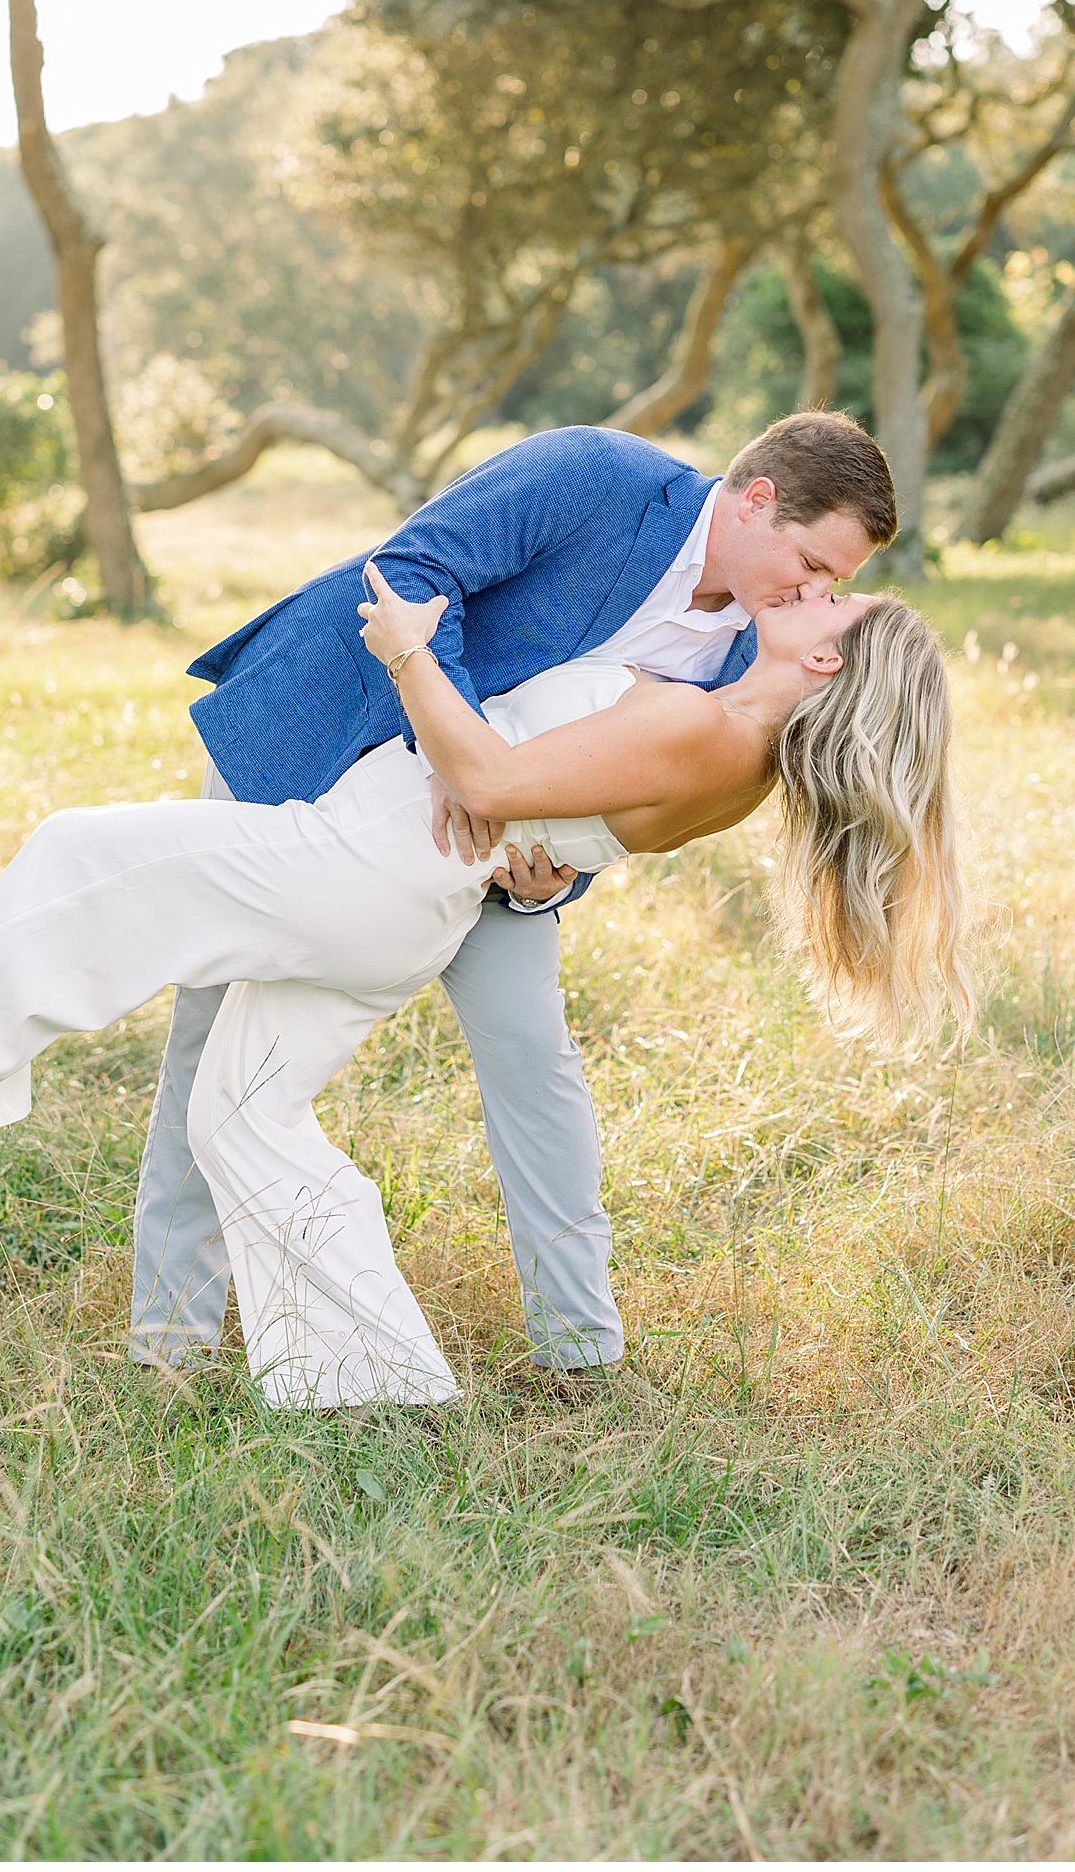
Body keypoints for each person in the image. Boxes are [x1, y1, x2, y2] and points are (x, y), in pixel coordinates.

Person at [0, 574, 970, 1411]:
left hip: (359, 868)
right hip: (410, 899)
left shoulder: (714, 735)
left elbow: (487, 773)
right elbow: (544, 815)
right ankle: (371, 1379)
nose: (816, 587)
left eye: (832, 599)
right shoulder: (727, 742)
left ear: (822, 660)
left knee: (78, 853)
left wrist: (407, 646)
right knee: (238, 1116)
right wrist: (530, 837)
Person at [127, 412, 895, 1377]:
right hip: (319, 752)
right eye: (816, 563)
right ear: (757, 499)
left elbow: (646, 787)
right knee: (212, 1037)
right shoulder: (597, 476)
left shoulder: (759, 655)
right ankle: (170, 1342)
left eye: (837, 586)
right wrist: (452, 761)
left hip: (488, 868)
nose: (817, 592)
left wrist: (559, 875)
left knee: (535, 1056)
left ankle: (581, 1351)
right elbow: (408, 572)